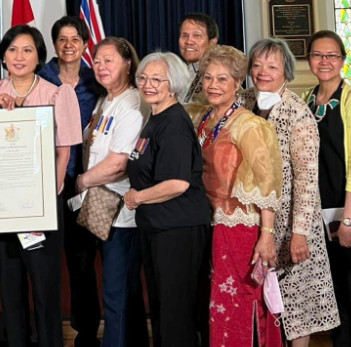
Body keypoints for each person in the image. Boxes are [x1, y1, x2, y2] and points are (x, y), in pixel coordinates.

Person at [0, 25, 82, 347]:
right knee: (9, 285)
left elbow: (64, 149)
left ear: (39, 56)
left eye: (27, 50)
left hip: (40, 204)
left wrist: (45, 193)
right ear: (4, 55)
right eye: (12, 50)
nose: (19, 57)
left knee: (44, 284)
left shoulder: (56, 92)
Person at [238, 38, 339, 346]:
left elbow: (307, 179)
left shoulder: (297, 113)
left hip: (291, 224)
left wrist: (300, 233)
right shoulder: (243, 102)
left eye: (272, 66)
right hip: (250, 217)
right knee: (257, 300)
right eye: (257, 65)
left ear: (286, 71)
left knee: (298, 305)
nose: (262, 72)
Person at [185, 46, 284, 347]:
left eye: (222, 79)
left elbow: (267, 184)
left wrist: (266, 236)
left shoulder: (249, 125)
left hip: (239, 226)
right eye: (208, 78)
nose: (213, 85)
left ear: (238, 83)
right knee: (213, 302)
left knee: (237, 301)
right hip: (209, 222)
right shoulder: (202, 118)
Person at [124, 52, 211, 347]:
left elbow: (178, 182)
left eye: (157, 80)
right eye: (144, 78)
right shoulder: (155, 118)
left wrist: (137, 197)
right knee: (162, 308)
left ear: (173, 85)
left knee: (175, 312)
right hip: (157, 227)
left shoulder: (173, 124)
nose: (148, 85)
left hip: (178, 229)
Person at [299, 30, 351, 346]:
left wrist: (349, 217)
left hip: (346, 208)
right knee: (332, 291)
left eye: (332, 55)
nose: (325, 61)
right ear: (309, 60)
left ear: (342, 60)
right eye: (318, 55)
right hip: (317, 209)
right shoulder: (305, 100)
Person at [73, 37, 149, 347]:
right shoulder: (105, 100)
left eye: (109, 60)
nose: (101, 66)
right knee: (124, 293)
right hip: (101, 210)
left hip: (121, 214)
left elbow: (118, 164)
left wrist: (78, 183)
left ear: (128, 63)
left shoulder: (133, 104)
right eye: (98, 60)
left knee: (115, 295)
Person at [37, 16, 102, 347]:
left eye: (75, 39)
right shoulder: (39, 79)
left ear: (84, 43)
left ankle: (87, 333)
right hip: (44, 182)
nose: (68, 45)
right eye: (62, 39)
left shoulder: (96, 82)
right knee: (42, 262)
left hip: (82, 184)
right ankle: (43, 333)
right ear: (54, 44)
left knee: (81, 263)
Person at [178, 13, 220, 101]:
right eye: (185, 35)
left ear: (212, 42)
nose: (189, 41)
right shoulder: (174, 74)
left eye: (197, 35)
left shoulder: (220, 76)